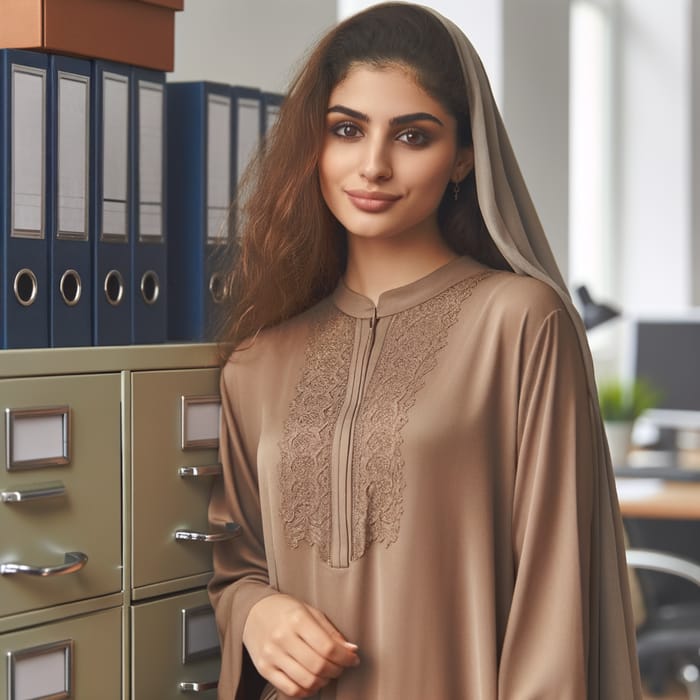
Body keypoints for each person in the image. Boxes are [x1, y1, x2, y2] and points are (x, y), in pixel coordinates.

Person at [208, 3, 643, 698]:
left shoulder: (523, 326)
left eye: (413, 136)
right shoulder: (258, 365)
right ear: (314, 148)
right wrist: (255, 610)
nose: (373, 165)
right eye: (346, 130)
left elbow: (559, 596)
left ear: (464, 156)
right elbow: (237, 565)